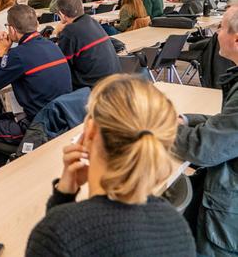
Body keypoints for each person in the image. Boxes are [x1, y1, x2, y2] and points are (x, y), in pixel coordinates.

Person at [22, 75, 195, 257]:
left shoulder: (57, 233)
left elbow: (57, 238)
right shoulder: (175, 224)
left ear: (90, 130)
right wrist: (64, 195)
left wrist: (63, 196)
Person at [0, 4, 72, 171]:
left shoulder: (19, 55)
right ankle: (15, 167)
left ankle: (4, 175)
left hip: (36, 126)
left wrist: (0, 53)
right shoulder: (52, 45)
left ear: (11, 29)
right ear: (36, 25)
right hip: (60, 119)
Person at [173, 2, 238, 256]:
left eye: (221, 28)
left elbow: (203, 148)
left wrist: (160, 128)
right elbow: (226, 123)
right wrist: (186, 120)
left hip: (227, 213)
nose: (216, 33)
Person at [54, 0, 121, 89]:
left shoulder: (69, 31)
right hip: (113, 83)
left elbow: (62, 65)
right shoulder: (92, 21)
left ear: (62, 15)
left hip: (92, 89)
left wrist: (58, 33)